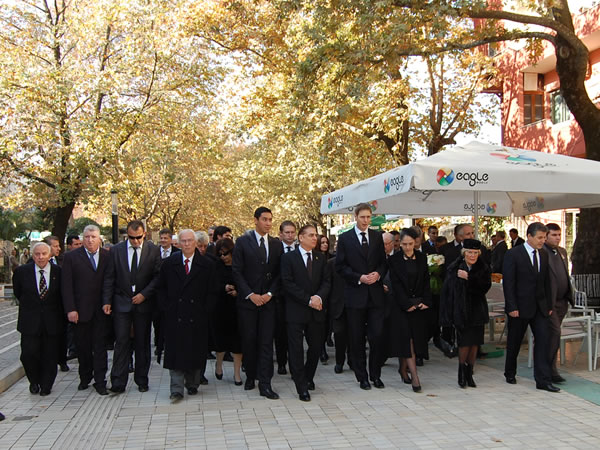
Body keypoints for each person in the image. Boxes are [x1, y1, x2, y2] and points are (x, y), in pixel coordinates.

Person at [157, 229, 218, 401]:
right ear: (178, 243)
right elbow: (161, 288)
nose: (186, 244)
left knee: (195, 350)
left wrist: (206, 310)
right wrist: (166, 308)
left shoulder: (207, 265)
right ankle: (176, 389)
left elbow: (213, 291)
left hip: (197, 316)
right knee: (175, 352)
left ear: (195, 243)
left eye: (190, 241)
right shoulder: (169, 263)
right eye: (183, 241)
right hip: (175, 315)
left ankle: (192, 383)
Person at [103, 220, 161, 393]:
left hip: (143, 303)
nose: (135, 241)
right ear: (126, 235)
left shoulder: (153, 250)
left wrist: (144, 294)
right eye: (131, 237)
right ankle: (118, 381)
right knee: (121, 341)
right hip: (122, 302)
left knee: (142, 342)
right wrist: (107, 301)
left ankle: (142, 380)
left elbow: (158, 277)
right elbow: (109, 277)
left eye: (138, 237)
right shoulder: (116, 251)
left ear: (144, 234)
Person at [232, 206, 283, 399]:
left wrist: (270, 293)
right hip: (248, 303)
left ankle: (265, 383)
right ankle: (250, 375)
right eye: (265, 219)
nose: (268, 223)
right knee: (249, 340)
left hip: (268, 302)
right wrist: (250, 294)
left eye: (271, 219)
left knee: (266, 343)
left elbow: (280, 273)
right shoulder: (243, 242)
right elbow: (237, 271)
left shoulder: (276, 244)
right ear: (255, 220)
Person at [335, 203, 387, 390]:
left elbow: (383, 263)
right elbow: (340, 267)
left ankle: (375, 374)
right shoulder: (345, 238)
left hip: (375, 296)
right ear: (355, 217)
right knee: (356, 339)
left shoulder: (377, 237)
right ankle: (362, 376)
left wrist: (378, 274)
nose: (366, 220)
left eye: (369, 217)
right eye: (363, 217)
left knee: (377, 336)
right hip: (355, 296)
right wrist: (359, 278)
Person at [503, 222, 558, 392]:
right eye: (540, 237)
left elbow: (547, 281)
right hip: (519, 307)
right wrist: (512, 306)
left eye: (544, 237)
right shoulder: (514, 254)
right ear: (529, 236)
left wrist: (549, 304)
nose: (543, 241)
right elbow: (509, 283)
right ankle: (510, 371)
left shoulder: (544, 254)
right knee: (515, 341)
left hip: (540, 307)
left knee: (543, 341)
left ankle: (543, 380)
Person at [281, 224, 331, 401]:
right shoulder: (288, 258)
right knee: (295, 350)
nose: (314, 238)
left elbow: (327, 281)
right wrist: (308, 299)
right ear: (300, 238)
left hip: (316, 310)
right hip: (296, 310)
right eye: (310, 235)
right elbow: (287, 283)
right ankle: (301, 386)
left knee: (316, 347)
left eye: (315, 235)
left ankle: (308, 377)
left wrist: (318, 297)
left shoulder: (320, 258)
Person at [62, 225, 113, 395]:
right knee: (83, 347)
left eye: (93, 236)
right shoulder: (71, 257)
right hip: (80, 310)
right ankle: (85, 377)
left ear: (99, 238)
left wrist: (108, 302)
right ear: (82, 239)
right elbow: (66, 286)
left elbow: (110, 280)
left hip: (101, 310)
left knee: (100, 347)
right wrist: (70, 309)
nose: (90, 240)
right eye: (87, 237)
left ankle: (100, 380)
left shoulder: (107, 256)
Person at [13, 242, 63, 396]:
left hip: (51, 321)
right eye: (37, 254)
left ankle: (46, 384)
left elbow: (61, 295)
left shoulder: (58, 272)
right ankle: (34, 381)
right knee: (29, 354)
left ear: (50, 255)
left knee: (50, 354)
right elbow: (18, 292)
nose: (40, 257)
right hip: (30, 321)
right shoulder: (22, 272)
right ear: (32, 255)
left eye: (44, 254)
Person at [440, 239, 491, 388]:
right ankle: (461, 374)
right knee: (464, 343)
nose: (473, 255)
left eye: (475, 253)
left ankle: (470, 374)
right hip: (461, 312)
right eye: (470, 252)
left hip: (477, 311)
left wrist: (469, 278)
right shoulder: (455, 267)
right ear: (464, 253)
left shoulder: (483, 267)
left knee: (475, 343)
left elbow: (483, 288)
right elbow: (449, 292)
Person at [388, 227, 432, 393]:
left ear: (416, 243)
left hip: (419, 306)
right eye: (404, 244)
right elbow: (396, 285)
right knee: (407, 340)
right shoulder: (394, 260)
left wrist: (426, 301)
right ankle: (415, 376)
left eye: (410, 244)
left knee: (414, 340)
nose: (407, 247)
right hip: (401, 307)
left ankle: (402, 369)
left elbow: (426, 281)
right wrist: (406, 304)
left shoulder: (421, 258)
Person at [544, 223, 574, 384]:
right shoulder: (542, 252)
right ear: (546, 235)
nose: (557, 237)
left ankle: (550, 368)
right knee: (554, 333)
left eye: (559, 234)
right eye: (553, 234)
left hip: (563, 301)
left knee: (554, 335)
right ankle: (549, 370)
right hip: (549, 303)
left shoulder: (562, 251)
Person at [213, 238, 243, 386]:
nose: (223, 257)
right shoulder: (216, 267)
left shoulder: (239, 265)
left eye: (226, 253)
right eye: (220, 254)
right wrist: (223, 288)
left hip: (237, 308)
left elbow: (245, 283)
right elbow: (211, 286)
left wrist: (237, 292)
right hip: (220, 308)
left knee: (238, 342)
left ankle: (237, 374)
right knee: (221, 342)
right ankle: (219, 365)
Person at [275, 220, 297, 375]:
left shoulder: (301, 249)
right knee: (281, 332)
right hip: (280, 297)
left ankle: (295, 363)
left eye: (292, 232)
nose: (290, 235)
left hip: (297, 297)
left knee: (295, 333)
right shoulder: (275, 250)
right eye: (287, 232)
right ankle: (282, 362)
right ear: (280, 234)